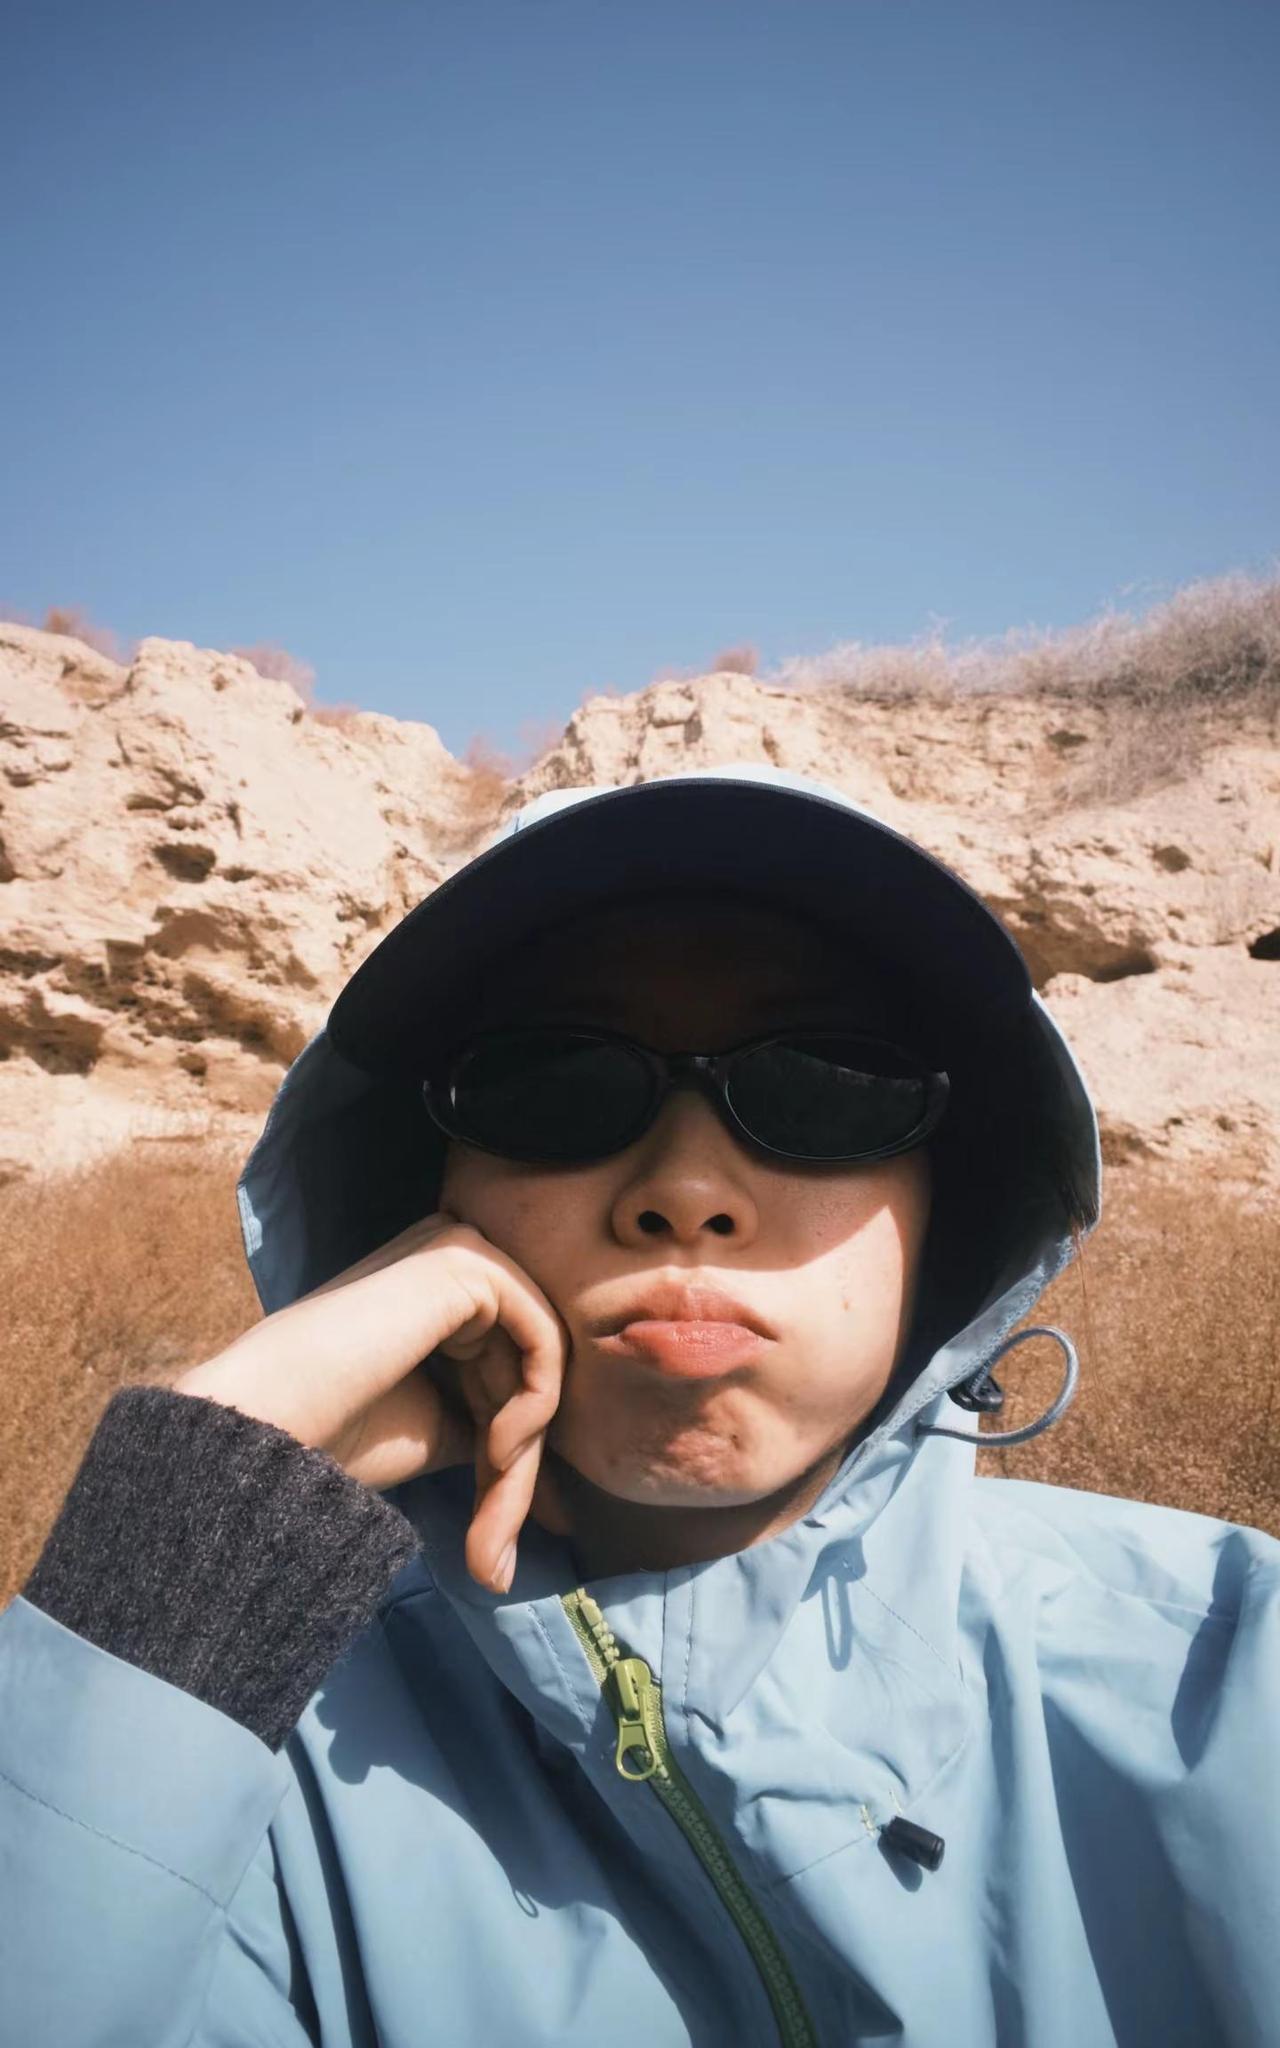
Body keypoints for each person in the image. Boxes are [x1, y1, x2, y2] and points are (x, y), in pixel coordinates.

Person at [1, 762, 1276, 2048]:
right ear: (424, 1193)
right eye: (553, 1080)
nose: (684, 1188)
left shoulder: (1224, 1673)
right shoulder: (218, 1760)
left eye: (828, 1082)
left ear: (947, 1209)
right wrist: (195, 1524)